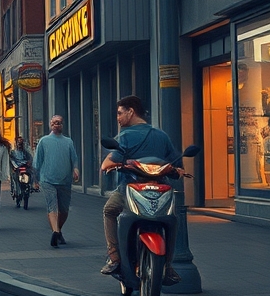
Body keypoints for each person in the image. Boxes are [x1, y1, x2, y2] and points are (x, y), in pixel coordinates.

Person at [100, 95, 182, 284]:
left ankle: (114, 258)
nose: (118, 118)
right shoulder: (161, 135)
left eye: (120, 113)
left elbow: (107, 163)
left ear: (131, 111)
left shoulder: (125, 136)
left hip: (129, 189)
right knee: (171, 219)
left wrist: (112, 165)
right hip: (160, 189)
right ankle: (168, 266)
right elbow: (177, 164)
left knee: (109, 211)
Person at [32, 115, 80, 247]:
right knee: (52, 206)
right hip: (47, 180)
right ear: (50, 125)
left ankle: (58, 231)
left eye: (58, 123)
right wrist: (35, 179)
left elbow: (74, 158)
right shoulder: (44, 141)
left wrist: (75, 169)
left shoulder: (68, 142)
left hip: (65, 180)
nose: (56, 125)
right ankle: (55, 231)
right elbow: (37, 161)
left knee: (64, 210)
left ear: (62, 125)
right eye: (54, 123)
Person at [9, 135, 34, 203]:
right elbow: (11, 160)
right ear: (16, 143)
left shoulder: (26, 152)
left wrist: (29, 163)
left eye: (21, 142)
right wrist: (15, 166)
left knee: (32, 174)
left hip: (25, 167)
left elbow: (30, 158)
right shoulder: (13, 152)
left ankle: (30, 187)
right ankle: (15, 191)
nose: (20, 144)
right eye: (18, 142)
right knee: (14, 178)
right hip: (17, 168)